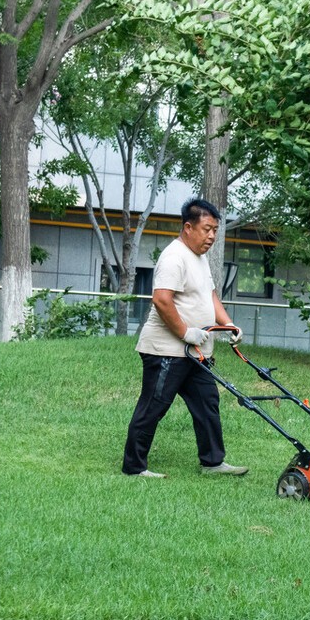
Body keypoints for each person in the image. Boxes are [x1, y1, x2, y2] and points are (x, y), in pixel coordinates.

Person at [122, 198, 248, 479]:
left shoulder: (199, 258)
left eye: (215, 230)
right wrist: (184, 332)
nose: (212, 236)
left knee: (207, 403)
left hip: (196, 351)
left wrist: (227, 324)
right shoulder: (174, 257)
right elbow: (162, 300)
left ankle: (213, 463)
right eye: (207, 229)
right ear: (188, 227)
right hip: (167, 350)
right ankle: (134, 467)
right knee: (154, 405)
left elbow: (210, 296)